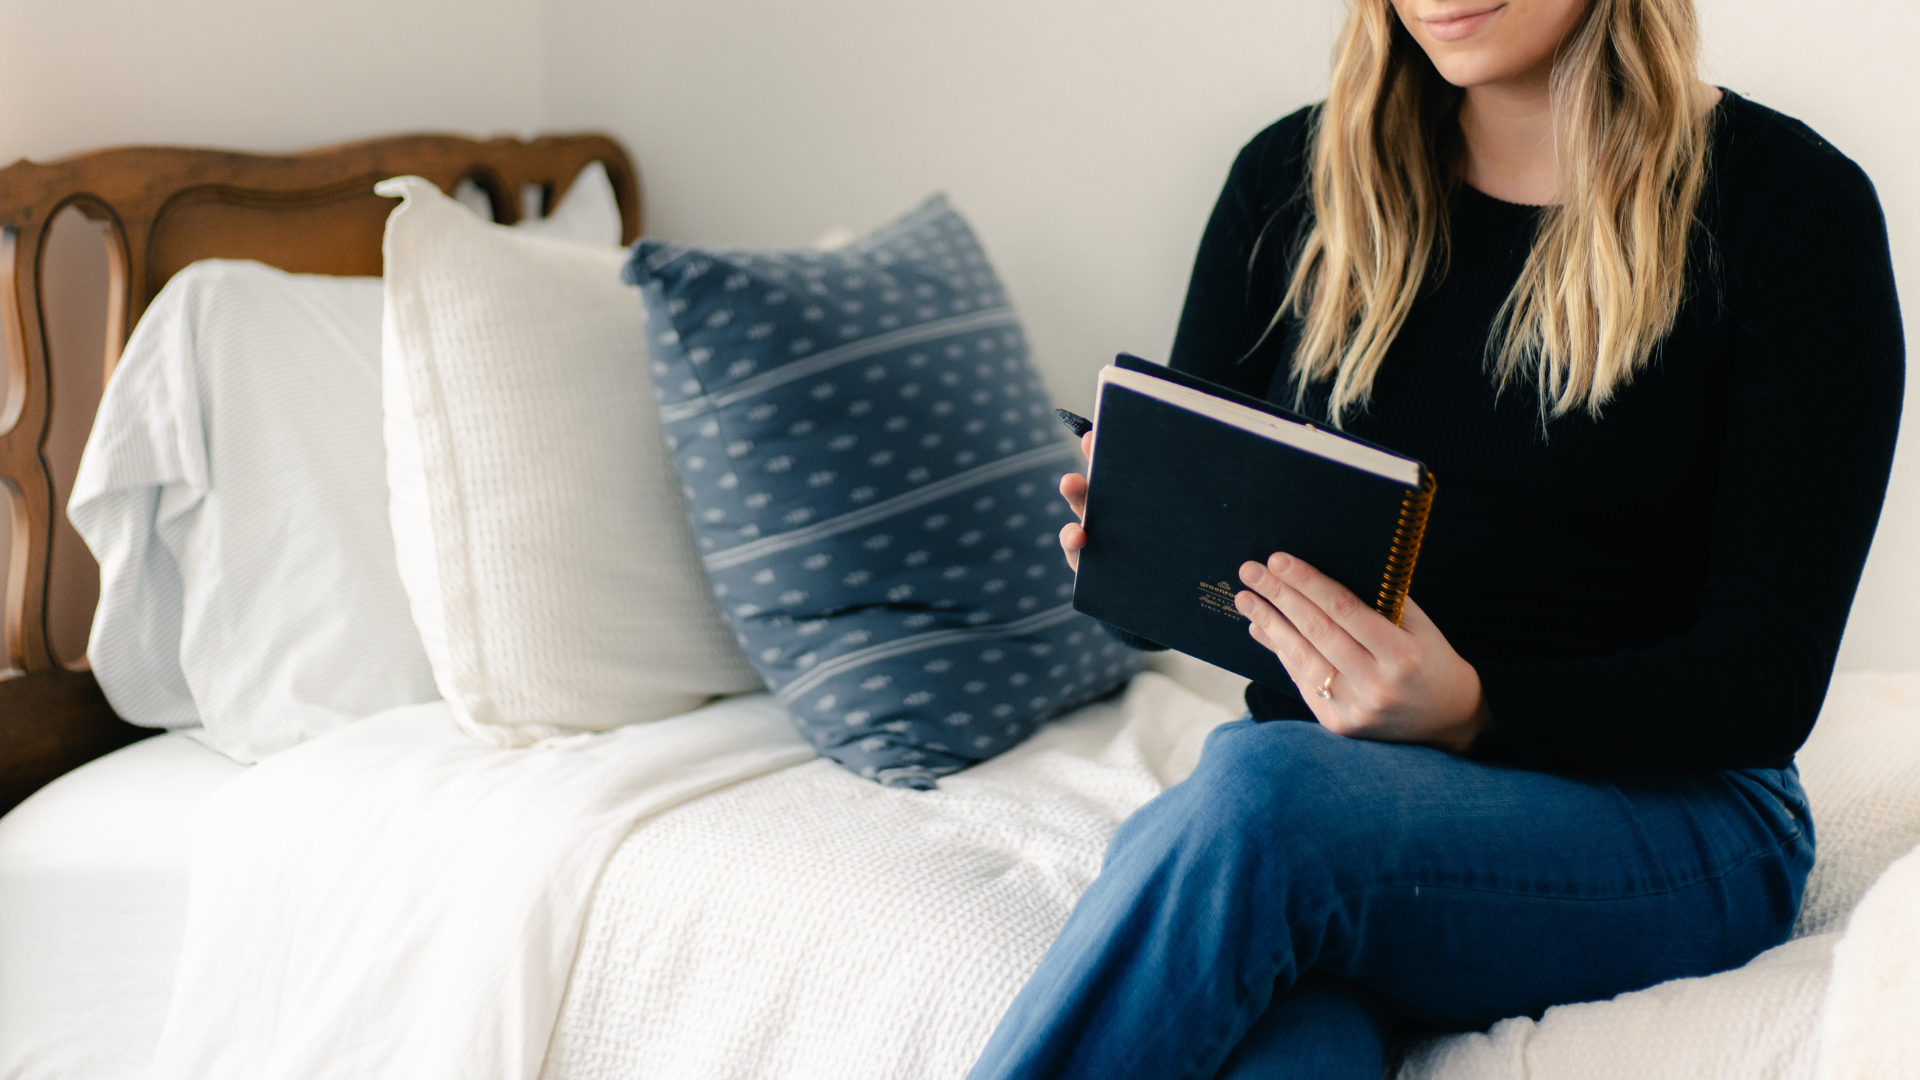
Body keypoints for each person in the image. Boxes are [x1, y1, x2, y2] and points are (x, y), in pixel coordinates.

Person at [968, 0, 1904, 1076]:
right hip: (1344, 794)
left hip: (1672, 818)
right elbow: (1227, 561)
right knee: (1284, 1036)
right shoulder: (1289, 182)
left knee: (1256, 805)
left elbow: (1766, 678)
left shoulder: (1792, 208)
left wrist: (1470, 709)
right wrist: (1154, 560)